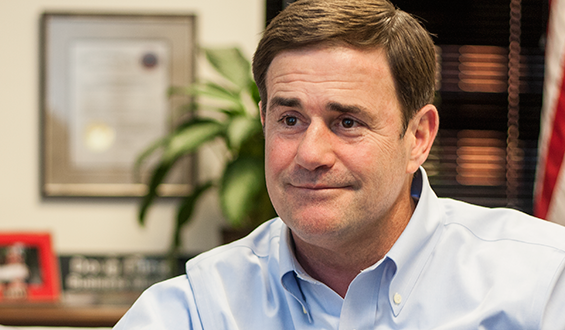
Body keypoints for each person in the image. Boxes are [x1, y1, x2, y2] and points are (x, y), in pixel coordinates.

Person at [114, 0, 565, 328]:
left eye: (347, 121)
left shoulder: (541, 281)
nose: (310, 154)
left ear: (419, 137)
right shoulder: (203, 306)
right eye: (289, 119)